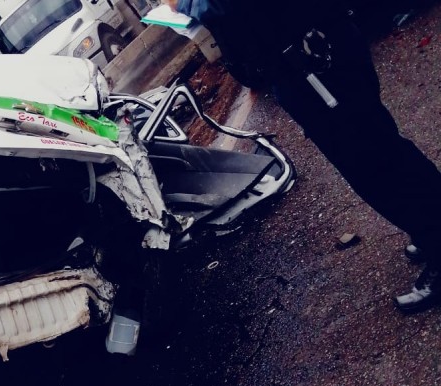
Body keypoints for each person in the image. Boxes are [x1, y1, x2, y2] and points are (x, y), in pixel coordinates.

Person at [165, 0, 441, 313]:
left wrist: (185, 3)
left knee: (372, 162)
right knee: (379, 147)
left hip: (313, 62)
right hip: (310, 54)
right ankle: (430, 227)